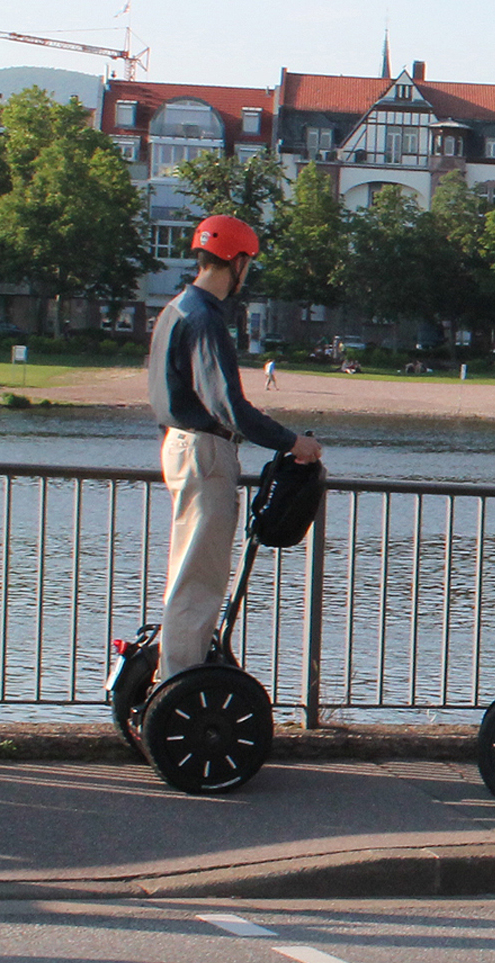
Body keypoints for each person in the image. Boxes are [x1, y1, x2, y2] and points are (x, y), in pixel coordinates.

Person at [148, 216, 323, 682]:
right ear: (238, 261)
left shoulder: (176, 309)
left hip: (178, 444)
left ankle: (173, 677)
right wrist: (293, 442)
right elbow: (228, 407)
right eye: (249, 263)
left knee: (188, 570)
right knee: (200, 579)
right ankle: (178, 686)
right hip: (204, 451)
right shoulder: (204, 318)